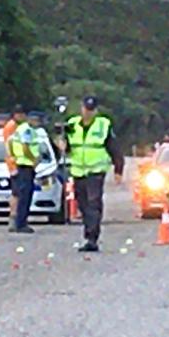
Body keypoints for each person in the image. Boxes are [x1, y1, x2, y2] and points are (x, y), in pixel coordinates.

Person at [61, 95, 125, 251]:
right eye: (86, 109)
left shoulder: (103, 125)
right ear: (81, 108)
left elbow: (114, 148)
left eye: (91, 110)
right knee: (82, 203)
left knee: (93, 203)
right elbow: (67, 145)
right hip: (78, 171)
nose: (88, 113)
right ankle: (89, 231)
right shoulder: (72, 124)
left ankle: (92, 238)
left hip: (96, 171)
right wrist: (62, 145)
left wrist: (118, 169)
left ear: (96, 111)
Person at [5, 104, 38, 234]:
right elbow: (25, 146)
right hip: (26, 165)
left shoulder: (17, 129)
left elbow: (10, 144)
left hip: (20, 163)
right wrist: (33, 159)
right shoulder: (26, 129)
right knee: (25, 196)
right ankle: (21, 223)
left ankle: (19, 221)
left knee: (20, 194)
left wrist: (14, 156)